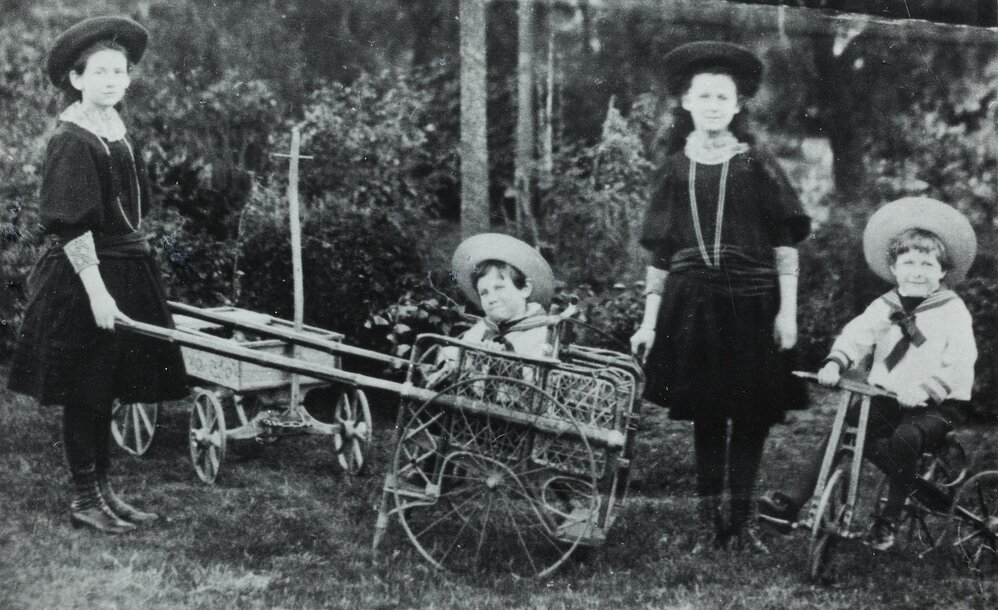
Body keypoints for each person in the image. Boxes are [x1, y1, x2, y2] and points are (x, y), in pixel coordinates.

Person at [7, 16, 188, 533]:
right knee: (86, 388)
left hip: (126, 266)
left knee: (107, 385)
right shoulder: (73, 138)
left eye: (120, 71)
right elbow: (71, 227)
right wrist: (98, 294)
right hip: (86, 277)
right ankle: (85, 498)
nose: (112, 80)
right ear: (76, 78)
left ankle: (106, 492)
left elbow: (134, 207)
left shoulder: (116, 130)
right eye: (100, 72)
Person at [629, 41, 811, 552]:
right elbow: (661, 254)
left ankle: (741, 523)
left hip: (754, 303)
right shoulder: (672, 170)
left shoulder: (757, 164)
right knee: (707, 414)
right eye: (702, 95)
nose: (712, 104)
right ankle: (709, 525)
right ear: (686, 103)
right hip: (693, 307)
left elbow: (785, 243)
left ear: (737, 106)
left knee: (751, 415)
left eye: (722, 96)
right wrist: (648, 322)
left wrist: (788, 314)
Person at [758, 197, 977, 551]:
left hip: (937, 406)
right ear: (894, 267)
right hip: (887, 396)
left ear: (942, 271)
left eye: (927, 263)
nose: (917, 271)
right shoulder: (885, 306)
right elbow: (857, 334)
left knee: (905, 439)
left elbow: (962, 358)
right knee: (844, 429)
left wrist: (925, 390)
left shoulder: (951, 310)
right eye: (908, 262)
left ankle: (887, 520)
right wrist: (835, 363)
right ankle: (791, 501)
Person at [426, 233, 557, 387]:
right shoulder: (486, 326)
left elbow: (539, 383)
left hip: (517, 407)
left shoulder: (543, 332)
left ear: (525, 289)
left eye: (499, 288)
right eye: (484, 293)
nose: (492, 298)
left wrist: (506, 362)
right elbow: (456, 352)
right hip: (473, 403)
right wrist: (455, 362)